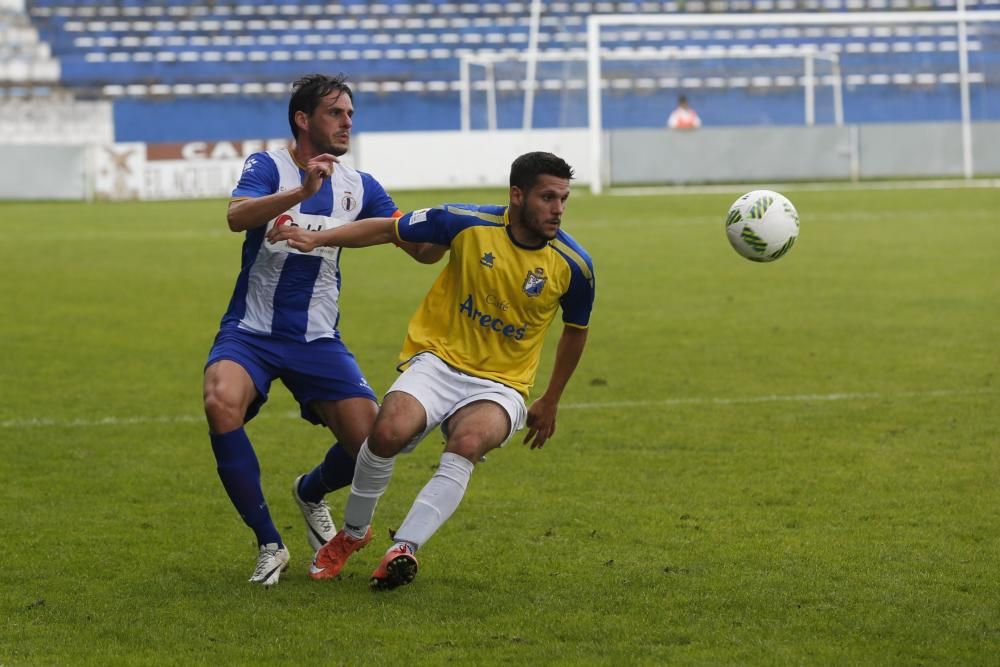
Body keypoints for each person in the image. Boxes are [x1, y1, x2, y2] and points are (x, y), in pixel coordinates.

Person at [266, 151, 596, 590]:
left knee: (468, 441)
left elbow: (576, 330)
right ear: (517, 195)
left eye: (564, 199)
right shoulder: (465, 222)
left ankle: (404, 548)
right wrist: (318, 239)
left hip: (502, 383)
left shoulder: (574, 265)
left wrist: (550, 398)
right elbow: (387, 229)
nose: (558, 209)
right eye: (548, 197)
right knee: (385, 433)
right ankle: (352, 534)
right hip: (439, 360)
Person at [203, 73, 444, 587]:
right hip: (252, 332)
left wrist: (449, 230)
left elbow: (419, 249)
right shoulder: (267, 165)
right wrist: (300, 190)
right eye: (336, 113)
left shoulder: (361, 186)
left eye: (351, 114)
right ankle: (270, 544)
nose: (347, 123)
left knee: (375, 446)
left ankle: (310, 491)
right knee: (220, 400)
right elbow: (236, 216)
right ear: (303, 119)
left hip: (318, 339)